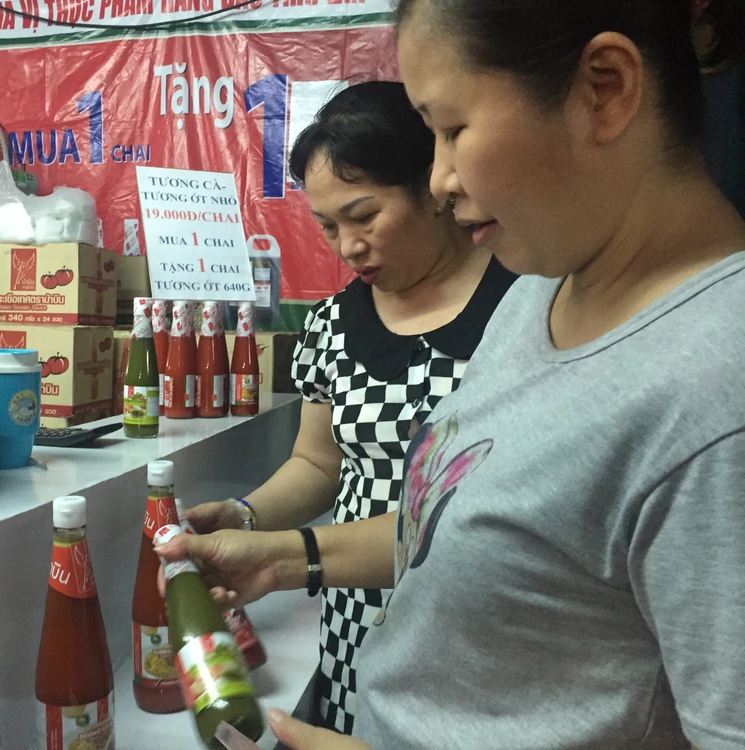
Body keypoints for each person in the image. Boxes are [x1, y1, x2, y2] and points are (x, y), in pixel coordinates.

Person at [158, 0, 745, 748]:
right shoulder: (540, 292)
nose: (438, 179)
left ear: (605, 89)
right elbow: (456, 528)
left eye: (452, 129)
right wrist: (280, 556)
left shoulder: (718, 394)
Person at [188, 80, 515, 733]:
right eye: (329, 226)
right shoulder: (332, 325)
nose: (347, 246)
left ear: (433, 186)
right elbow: (318, 464)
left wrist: (283, 555)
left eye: (364, 216)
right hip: (354, 623)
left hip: (476, 636)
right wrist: (246, 515)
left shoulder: (523, 308)